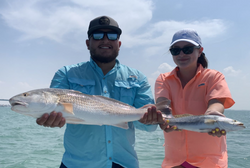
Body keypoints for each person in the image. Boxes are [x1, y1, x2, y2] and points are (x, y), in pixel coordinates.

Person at [36, 16, 162, 168]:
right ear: (88, 43)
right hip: (76, 164)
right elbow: (59, 110)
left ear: (119, 44)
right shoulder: (66, 74)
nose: (105, 40)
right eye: (97, 35)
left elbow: (148, 127)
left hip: (124, 163)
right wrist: (53, 119)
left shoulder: (137, 78)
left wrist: (150, 119)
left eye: (112, 36)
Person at [155, 29, 235, 168]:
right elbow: (163, 105)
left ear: (200, 51)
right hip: (175, 159)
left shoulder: (214, 77)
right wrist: (163, 119)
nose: (181, 54)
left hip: (210, 161)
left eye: (188, 49)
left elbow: (216, 102)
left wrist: (212, 115)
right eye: (176, 50)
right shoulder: (164, 79)